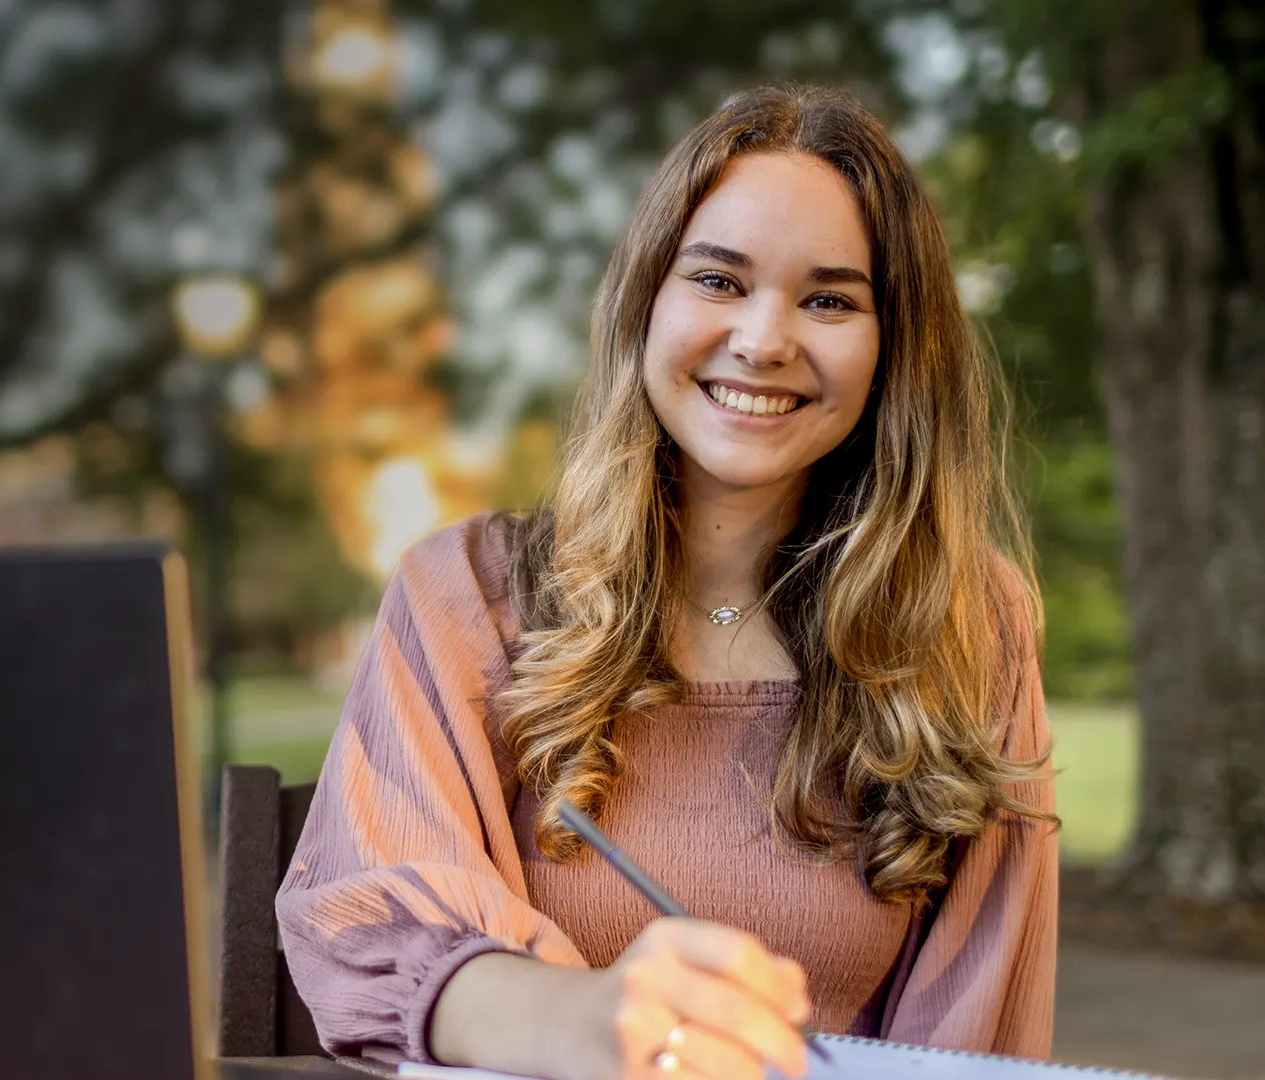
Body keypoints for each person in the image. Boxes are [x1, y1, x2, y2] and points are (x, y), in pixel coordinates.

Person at [275, 85, 1057, 1080]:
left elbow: (976, 1024)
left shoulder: (970, 620)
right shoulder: (464, 592)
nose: (765, 339)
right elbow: (378, 916)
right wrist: (588, 1021)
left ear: (893, 347)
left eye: (830, 299)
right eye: (720, 281)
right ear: (646, 298)